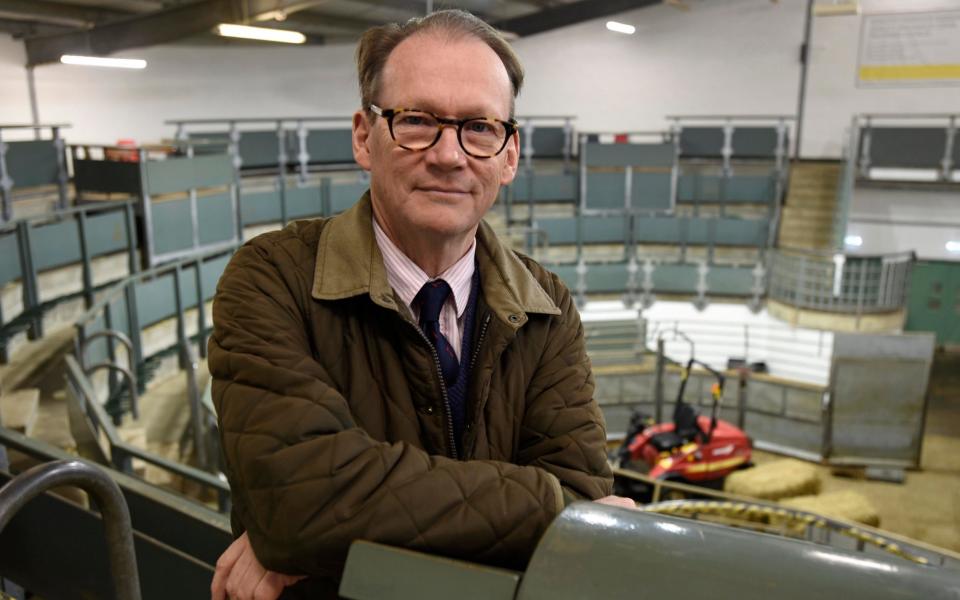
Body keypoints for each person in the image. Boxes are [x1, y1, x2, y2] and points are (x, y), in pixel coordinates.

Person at [209, 9, 633, 600]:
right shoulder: (273, 280)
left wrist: (328, 525)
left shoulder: (548, 308)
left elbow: (582, 504)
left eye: (480, 128)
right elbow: (298, 500)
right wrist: (545, 505)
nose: (448, 155)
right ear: (364, 135)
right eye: (416, 121)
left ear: (509, 154)